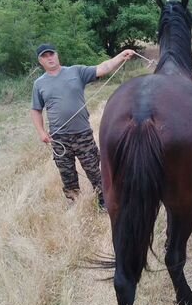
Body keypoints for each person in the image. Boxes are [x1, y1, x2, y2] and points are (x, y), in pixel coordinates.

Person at [30, 43, 135, 207]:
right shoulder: (39, 84)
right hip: (59, 138)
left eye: (51, 54)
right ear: (40, 61)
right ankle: (75, 205)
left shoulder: (76, 71)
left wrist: (121, 56)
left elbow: (103, 67)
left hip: (82, 134)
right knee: (67, 174)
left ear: (57, 55)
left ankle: (104, 203)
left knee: (94, 171)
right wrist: (41, 132)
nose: (49, 58)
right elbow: (36, 110)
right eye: (45, 56)